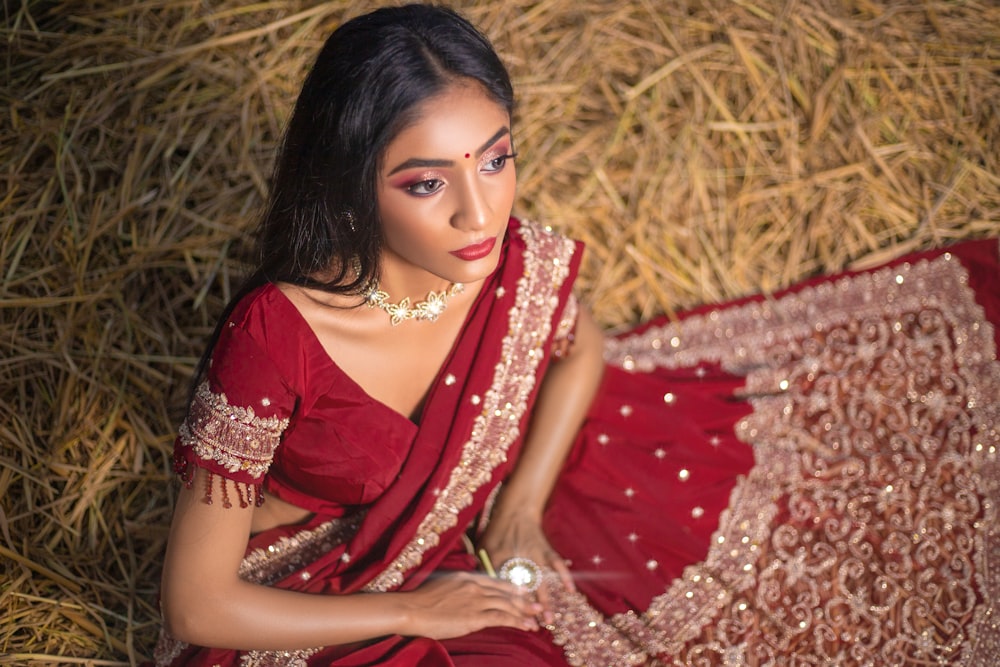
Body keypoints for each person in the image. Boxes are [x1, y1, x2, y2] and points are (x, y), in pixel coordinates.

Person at [155, 5, 1000, 666]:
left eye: (494, 159)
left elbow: (580, 346)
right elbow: (197, 605)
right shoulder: (277, 335)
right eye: (425, 182)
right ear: (350, 184)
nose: (478, 211)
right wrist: (420, 608)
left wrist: (519, 507)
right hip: (302, 594)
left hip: (450, 558)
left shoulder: (500, 259)